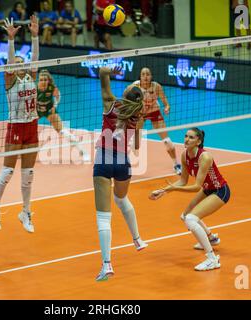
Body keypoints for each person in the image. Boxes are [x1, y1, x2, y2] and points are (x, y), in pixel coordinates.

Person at [93, 66, 148, 281]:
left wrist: (110, 71)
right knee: (121, 198)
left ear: (125, 94)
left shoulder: (111, 103)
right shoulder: (137, 115)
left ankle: (107, 265)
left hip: (104, 158)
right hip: (122, 162)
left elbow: (101, 74)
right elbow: (135, 145)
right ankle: (137, 239)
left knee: (103, 217)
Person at [150, 128, 230, 271]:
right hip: (207, 189)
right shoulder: (184, 155)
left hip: (220, 191)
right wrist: (163, 191)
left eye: (191, 137)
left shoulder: (204, 157)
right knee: (185, 216)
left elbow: (195, 186)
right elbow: (183, 181)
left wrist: (173, 189)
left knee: (191, 219)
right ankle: (211, 238)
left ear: (198, 141)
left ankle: (212, 259)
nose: (186, 139)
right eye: (186, 136)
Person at [0, 16, 40, 233]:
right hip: (16, 126)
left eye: (21, 62)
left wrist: (35, 36)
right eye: (15, 63)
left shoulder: (30, 78)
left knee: (28, 175)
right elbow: (9, 63)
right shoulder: (10, 82)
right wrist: (11, 40)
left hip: (32, 125)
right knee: (7, 171)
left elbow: (35, 58)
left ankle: (25, 212)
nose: (19, 65)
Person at [130, 67, 181, 175]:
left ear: (151, 76)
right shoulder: (134, 86)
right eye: (143, 74)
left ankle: (176, 164)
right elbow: (127, 99)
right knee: (136, 144)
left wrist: (167, 107)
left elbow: (165, 102)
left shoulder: (156, 86)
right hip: (140, 113)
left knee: (167, 141)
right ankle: (127, 161)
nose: (145, 76)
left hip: (154, 112)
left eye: (147, 74)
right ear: (140, 76)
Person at [36, 69, 90, 162]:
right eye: (41, 80)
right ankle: (22, 152)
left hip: (50, 111)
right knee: (27, 129)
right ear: (38, 80)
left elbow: (58, 96)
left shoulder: (51, 87)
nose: (43, 82)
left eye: (45, 80)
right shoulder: (35, 88)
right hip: (38, 111)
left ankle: (83, 151)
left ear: (48, 80)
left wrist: (54, 106)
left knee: (63, 131)